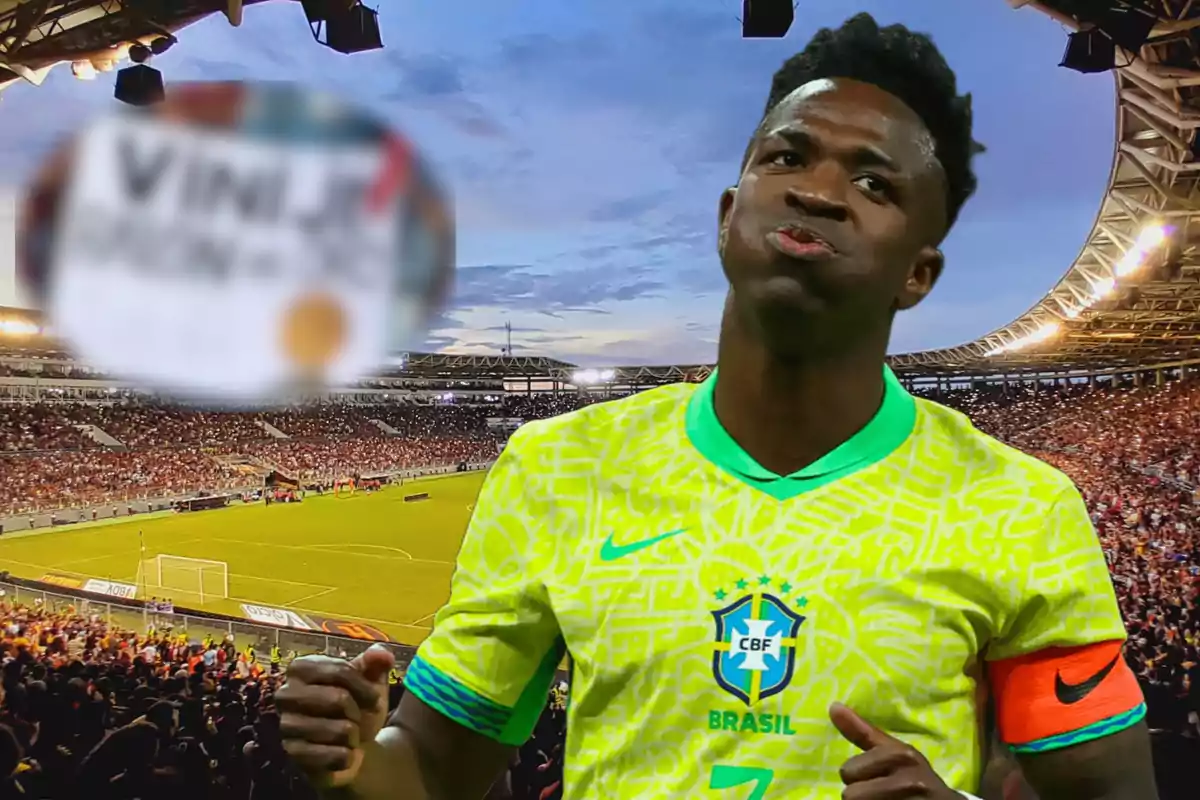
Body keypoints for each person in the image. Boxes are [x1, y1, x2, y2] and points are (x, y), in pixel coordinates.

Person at [275, 13, 1158, 799]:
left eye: (874, 184)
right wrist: (354, 768)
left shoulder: (1020, 508)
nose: (816, 191)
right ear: (729, 213)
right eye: (787, 155)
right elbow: (431, 768)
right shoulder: (557, 467)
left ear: (919, 275)